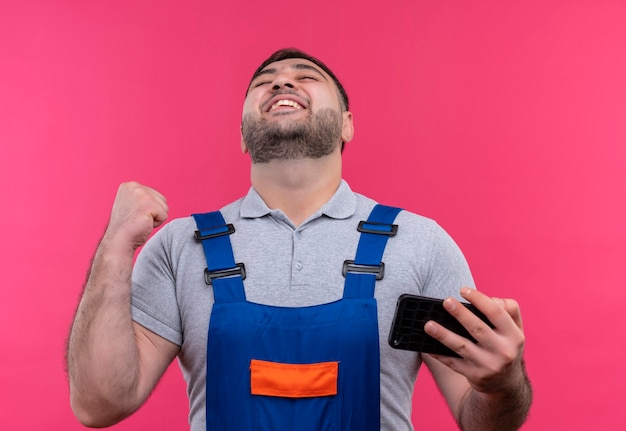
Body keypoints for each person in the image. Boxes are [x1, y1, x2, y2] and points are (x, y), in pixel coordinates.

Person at [67, 48, 532, 430]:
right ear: (244, 134)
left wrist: (502, 384)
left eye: (305, 77)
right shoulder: (178, 246)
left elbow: (483, 422)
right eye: (264, 82)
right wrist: (115, 246)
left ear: (347, 123)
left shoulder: (418, 241)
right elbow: (99, 404)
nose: (282, 83)